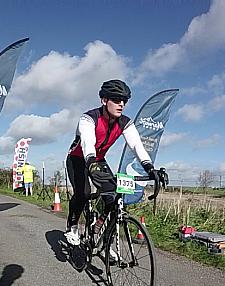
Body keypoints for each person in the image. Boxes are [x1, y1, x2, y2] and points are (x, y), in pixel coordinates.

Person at [64, 79, 156, 247]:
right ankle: (73, 226)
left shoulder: (124, 122)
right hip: (78, 158)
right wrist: (90, 160)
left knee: (114, 198)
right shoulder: (89, 118)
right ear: (104, 100)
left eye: (124, 101)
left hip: (98, 160)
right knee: (83, 193)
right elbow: (87, 142)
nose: (121, 104)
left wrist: (149, 167)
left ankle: (105, 240)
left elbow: (136, 144)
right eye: (116, 99)